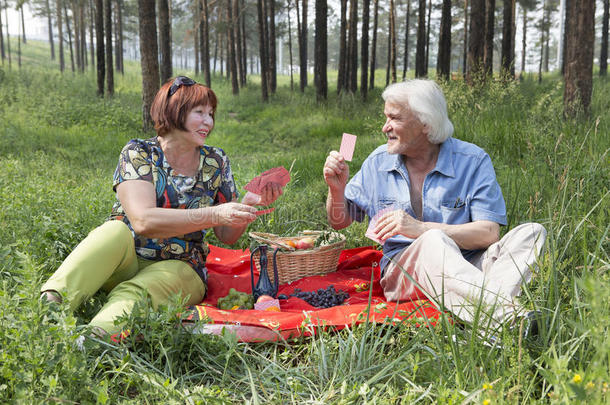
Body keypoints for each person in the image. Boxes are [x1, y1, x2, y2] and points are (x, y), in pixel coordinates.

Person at [40, 76, 282, 337]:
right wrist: (214, 213)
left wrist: (245, 206)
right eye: (199, 112)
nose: (208, 122)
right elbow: (143, 221)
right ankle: (48, 314)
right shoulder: (139, 153)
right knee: (113, 231)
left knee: (136, 292)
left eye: (211, 114)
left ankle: (91, 341)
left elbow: (226, 236)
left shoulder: (216, 161)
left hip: (181, 265)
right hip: (127, 258)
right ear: (174, 111)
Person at [323, 79, 546, 327]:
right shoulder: (378, 162)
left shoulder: (472, 160)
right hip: (405, 272)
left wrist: (420, 228)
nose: (385, 127)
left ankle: (486, 319)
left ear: (426, 124)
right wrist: (336, 188)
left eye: (395, 118)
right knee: (434, 240)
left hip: (469, 262)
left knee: (532, 233)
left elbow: (489, 233)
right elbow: (339, 222)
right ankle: (507, 317)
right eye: (386, 117)